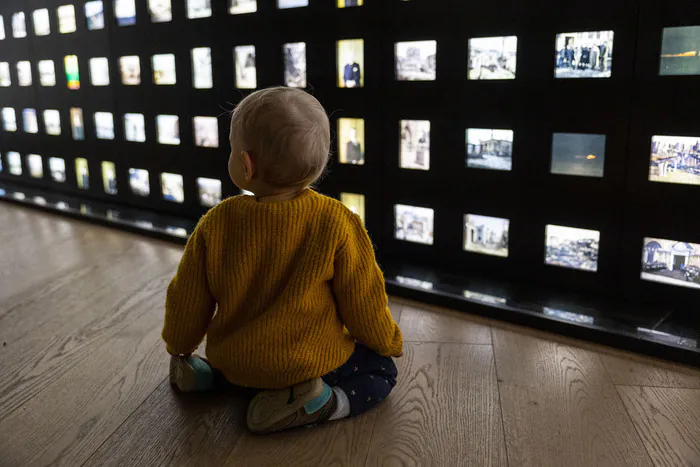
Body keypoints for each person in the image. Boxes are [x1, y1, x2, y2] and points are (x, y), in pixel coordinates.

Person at [163, 87, 402, 434]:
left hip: (236, 364)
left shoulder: (216, 222)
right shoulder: (335, 220)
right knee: (382, 370)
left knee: (235, 369)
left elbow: (187, 297)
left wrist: (180, 348)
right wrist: (387, 341)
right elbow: (363, 299)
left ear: (244, 165)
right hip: (307, 365)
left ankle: (207, 378)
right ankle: (322, 403)